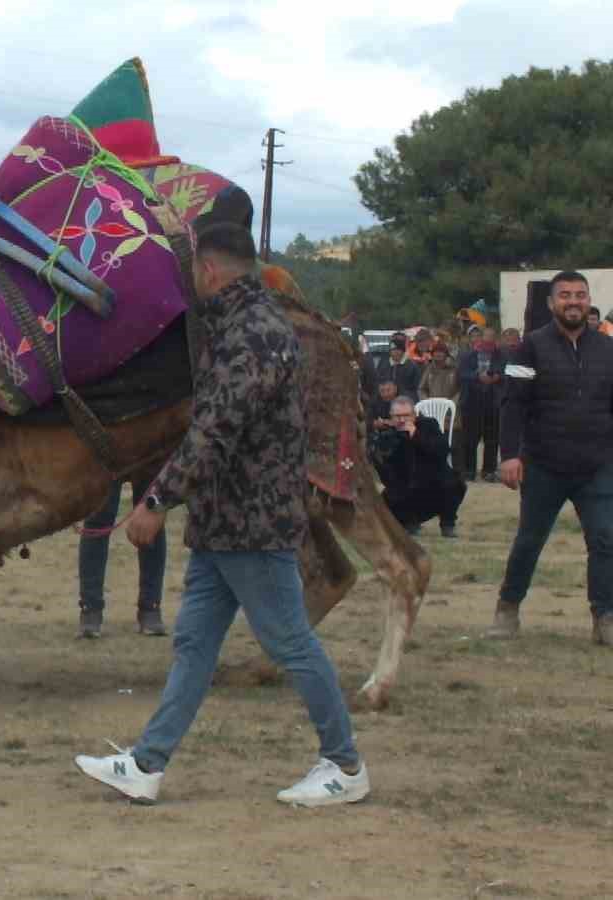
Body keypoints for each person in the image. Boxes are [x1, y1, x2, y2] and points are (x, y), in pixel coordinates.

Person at [74, 223, 367, 807]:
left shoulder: (252, 335)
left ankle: (344, 764)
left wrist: (155, 501)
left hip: (252, 525)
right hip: (223, 523)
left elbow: (215, 431)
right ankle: (147, 764)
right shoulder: (241, 325)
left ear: (209, 270)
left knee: (289, 642)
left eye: (191, 270)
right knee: (194, 644)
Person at [489, 271, 613, 645]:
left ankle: (604, 618)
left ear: (589, 300)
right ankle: (507, 609)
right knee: (530, 540)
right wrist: (510, 455)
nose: (573, 301)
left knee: (606, 541)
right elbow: (513, 405)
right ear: (551, 303)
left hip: (597, 465)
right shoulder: (529, 346)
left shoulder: (608, 349)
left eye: (580, 294)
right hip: (543, 464)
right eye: (565, 295)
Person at [76, 475, 167, 638]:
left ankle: (151, 608)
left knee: (152, 522)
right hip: (109, 456)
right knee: (97, 520)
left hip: (150, 454)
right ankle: (90, 611)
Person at [372, 396, 466, 538]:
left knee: (455, 482)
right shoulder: (387, 435)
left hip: (433, 484)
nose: (402, 420)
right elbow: (386, 474)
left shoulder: (429, 425)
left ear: (414, 415)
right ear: (391, 417)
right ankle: (409, 522)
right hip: (405, 489)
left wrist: (415, 435)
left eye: (406, 416)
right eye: (397, 416)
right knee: (388, 497)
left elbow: (442, 450)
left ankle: (448, 524)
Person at [456, 327, 503, 482]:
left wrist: (497, 377)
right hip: (472, 402)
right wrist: (477, 377)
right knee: (470, 438)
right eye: (485, 340)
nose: (488, 344)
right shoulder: (467, 356)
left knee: (492, 438)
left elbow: (506, 371)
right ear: (480, 339)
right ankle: (469, 470)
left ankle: (489, 471)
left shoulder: (501, 355)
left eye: (491, 340)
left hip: (492, 401)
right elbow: (462, 374)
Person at [386, 336, 422, 400]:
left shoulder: (412, 366)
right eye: (393, 350)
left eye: (398, 349)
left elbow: (418, 388)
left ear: (403, 351)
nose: (396, 352)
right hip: (387, 400)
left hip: (407, 400)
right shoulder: (385, 365)